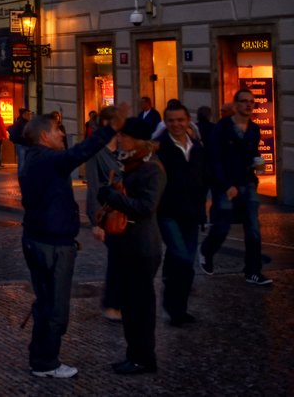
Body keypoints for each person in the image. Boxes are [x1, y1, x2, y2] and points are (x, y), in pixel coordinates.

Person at [18, 108, 117, 379]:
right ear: (43, 136)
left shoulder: (33, 159)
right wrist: (108, 130)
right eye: (57, 130)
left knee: (46, 302)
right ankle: (46, 362)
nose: (62, 134)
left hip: (40, 238)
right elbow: (78, 154)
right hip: (51, 244)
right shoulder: (48, 160)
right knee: (55, 308)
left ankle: (40, 356)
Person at [98, 117, 166, 375]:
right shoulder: (131, 165)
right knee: (128, 304)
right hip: (124, 245)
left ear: (138, 141)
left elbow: (146, 207)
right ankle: (133, 354)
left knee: (140, 306)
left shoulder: (152, 170)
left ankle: (143, 358)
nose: (119, 140)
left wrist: (112, 196)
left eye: (123, 136)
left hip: (141, 247)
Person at [200, 88, 271, 285]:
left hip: (247, 182)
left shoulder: (254, 129)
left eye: (252, 101)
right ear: (236, 104)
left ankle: (253, 271)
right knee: (222, 227)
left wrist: (258, 163)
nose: (249, 104)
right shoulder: (222, 128)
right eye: (244, 101)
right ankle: (206, 250)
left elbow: (252, 153)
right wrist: (225, 185)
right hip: (225, 184)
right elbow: (215, 159)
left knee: (253, 227)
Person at [154, 102, 206, 325]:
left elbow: (205, 176)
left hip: (192, 214)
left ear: (188, 121)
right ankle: (172, 307)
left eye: (180, 120)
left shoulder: (197, 148)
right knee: (182, 257)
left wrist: (208, 200)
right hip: (168, 212)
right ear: (166, 123)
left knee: (186, 262)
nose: (176, 124)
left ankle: (180, 309)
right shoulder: (159, 148)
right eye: (171, 120)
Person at [85, 107, 124, 322]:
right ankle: (112, 303)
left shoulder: (124, 148)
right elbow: (92, 187)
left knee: (125, 258)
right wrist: (95, 221)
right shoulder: (96, 152)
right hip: (108, 214)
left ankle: (118, 301)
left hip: (128, 212)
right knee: (118, 257)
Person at [8, 108, 32, 175]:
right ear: (23, 115)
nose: (29, 116)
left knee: (25, 162)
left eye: (30, 114)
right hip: (21, 144)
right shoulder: (19, 123)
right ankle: (21, 177)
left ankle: (24, 176)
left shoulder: (27, 122)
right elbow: (16, 133)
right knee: (22, 162)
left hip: (26, 144)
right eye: (28, 114)